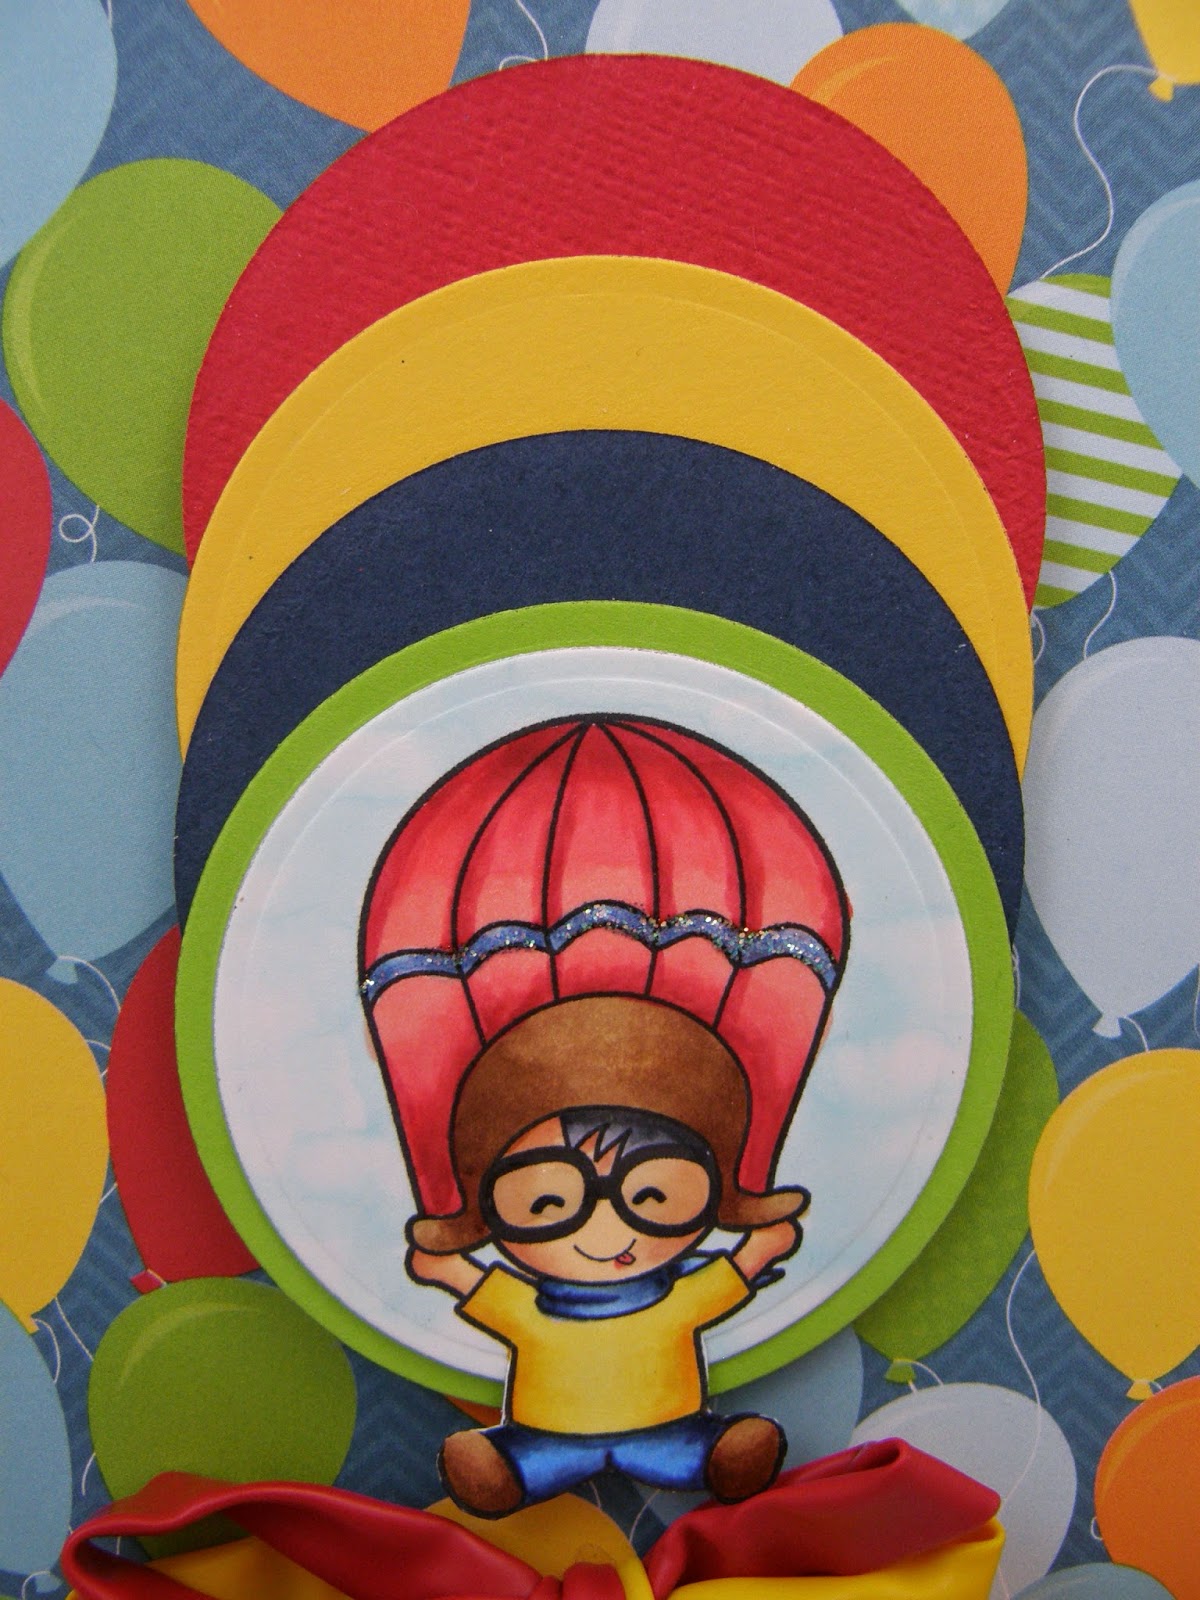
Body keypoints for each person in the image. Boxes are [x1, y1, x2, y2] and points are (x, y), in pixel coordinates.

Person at [405, 996, 807, 1517]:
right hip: (543, 1442)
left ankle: (721, 1458)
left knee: (708, 1452)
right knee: (507, 1466)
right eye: (549, 1202)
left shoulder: (677, 1298)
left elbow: (738, 1270)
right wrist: (445, 1267)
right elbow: (469, 1282)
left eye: (651, 1196)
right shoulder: (529, 1307)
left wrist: (762, 1246)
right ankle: (500, 1472)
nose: (604, 1229)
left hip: (670, 1433)